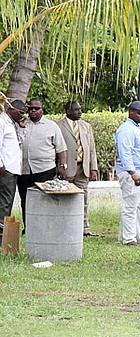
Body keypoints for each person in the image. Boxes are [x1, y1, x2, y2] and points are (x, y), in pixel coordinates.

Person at [17, 98, 67, 233]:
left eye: (36, 108)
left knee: (45, 200)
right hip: (24, 170)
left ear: (42, 110)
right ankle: (29, 227)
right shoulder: (21, 124)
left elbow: (61, 149)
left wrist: (63, 166)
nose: (33, 111)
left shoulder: (52, 126)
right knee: (26, 200)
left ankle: (46, 227)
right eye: (31, 108)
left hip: (45, 170)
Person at [56, 101, 99, 236]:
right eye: (76, 110)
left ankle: (84, 228)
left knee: (83, 199)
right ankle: (64, 226)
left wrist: (94, 168)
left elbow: (91, 149)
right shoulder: (58, 126)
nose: (79, 112)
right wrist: (59, 167)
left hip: (83, 168)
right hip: (67, 169)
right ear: (68, 111)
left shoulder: (86, 126)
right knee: (65, 199)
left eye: (80, 109)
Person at [114, 101, 140, 246]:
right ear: (131, 112)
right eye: (139, 112)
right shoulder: (126, 130)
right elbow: (125, 153)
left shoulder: (138, 128)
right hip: (132, 174)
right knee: (130, 207)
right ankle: (129, 238)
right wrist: (132, 173)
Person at [0, 99, 23, 237]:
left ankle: (4, 234)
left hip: (13, 169)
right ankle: (1, 234)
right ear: (12, 109)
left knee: (8, 202)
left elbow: (19, 143)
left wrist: (22, 127)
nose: (23, 115)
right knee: (4, 202)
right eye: (20, 112)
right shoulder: (2, 122)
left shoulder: (13, 124)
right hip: (5, 169)